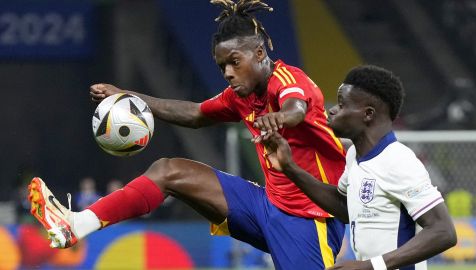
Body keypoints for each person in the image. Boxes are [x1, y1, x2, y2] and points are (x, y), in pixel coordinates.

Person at [27, 1, 346, 269]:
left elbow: (296, 108)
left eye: (235, 62)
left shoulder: (289, 79)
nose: (229, 73)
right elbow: (194, 114)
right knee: (169, 171)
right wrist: (127, 96)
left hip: (310, 219)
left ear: (260, 54)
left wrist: (279, 118)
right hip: (266, 204)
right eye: (223, 67)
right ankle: (76, 224)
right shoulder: (240, 96)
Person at [263, 65, 457, 270]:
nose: (333, 110)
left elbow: (443, 231)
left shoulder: (398, 160)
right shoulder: (355, 156)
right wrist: (289, 168)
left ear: (368, 114)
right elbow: (345, 207)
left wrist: (369, 266)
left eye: (341, 104)